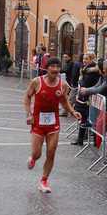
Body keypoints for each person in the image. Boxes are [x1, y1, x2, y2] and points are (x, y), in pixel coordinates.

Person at [24, 57, 82, 193]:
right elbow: (27, 97)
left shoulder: (63, 85)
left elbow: (64, 101)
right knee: (37, 153)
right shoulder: (37, 82)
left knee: (51, 152)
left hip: (53, 122)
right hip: (38, 121)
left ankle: (44, 180)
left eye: (58, 67)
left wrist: (73, 112)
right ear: (47, 68)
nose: (55, 69)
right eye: (53, 67)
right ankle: (33, 158)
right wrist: (28, 114)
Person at [71, 54, 100, 146]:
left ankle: (95, 141)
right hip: (82, 97)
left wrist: (81, 82)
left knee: (92, 119)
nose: (84, 60)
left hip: (89, 97)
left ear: (92, 60)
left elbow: (86, 82)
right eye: (83, 58)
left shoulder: (93, 71)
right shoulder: (84, 69)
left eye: (87, 59)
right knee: (82, 118)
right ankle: (80, 139)